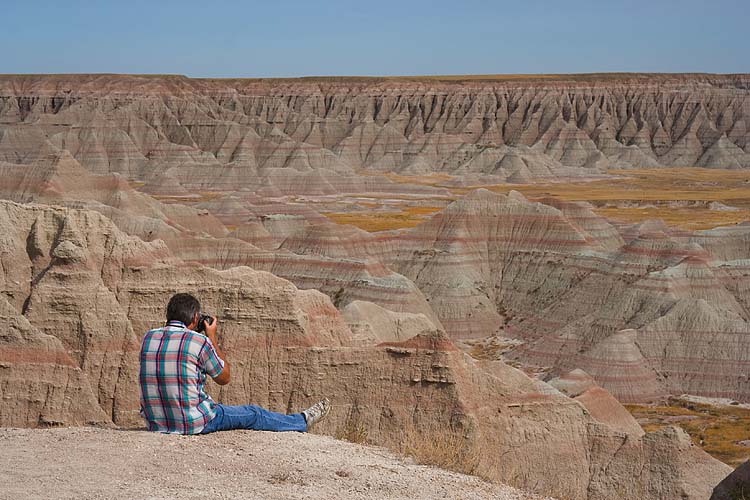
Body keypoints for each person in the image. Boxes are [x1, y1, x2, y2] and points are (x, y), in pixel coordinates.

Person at [139, 292, 330, 434]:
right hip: (193, 423)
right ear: (196, 318)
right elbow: (224, 377)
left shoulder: (148, 338)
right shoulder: (199, 342)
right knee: (253, 413)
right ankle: (301, 422)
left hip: (156, 424)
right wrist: (211, 337)